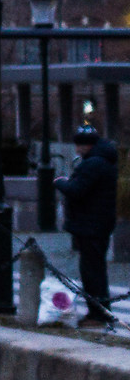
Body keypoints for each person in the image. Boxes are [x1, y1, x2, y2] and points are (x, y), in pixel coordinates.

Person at [56, 127, 119, 328]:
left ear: (86, 145)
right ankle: (102, 310)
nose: (76, 149)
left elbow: (76, 190)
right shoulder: (104, 161)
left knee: (91, 271)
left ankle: (97, 314)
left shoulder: (93, 164)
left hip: (90, 224)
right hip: (99, 223)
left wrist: (60, 182)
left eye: (78, 145)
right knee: (96, 269)